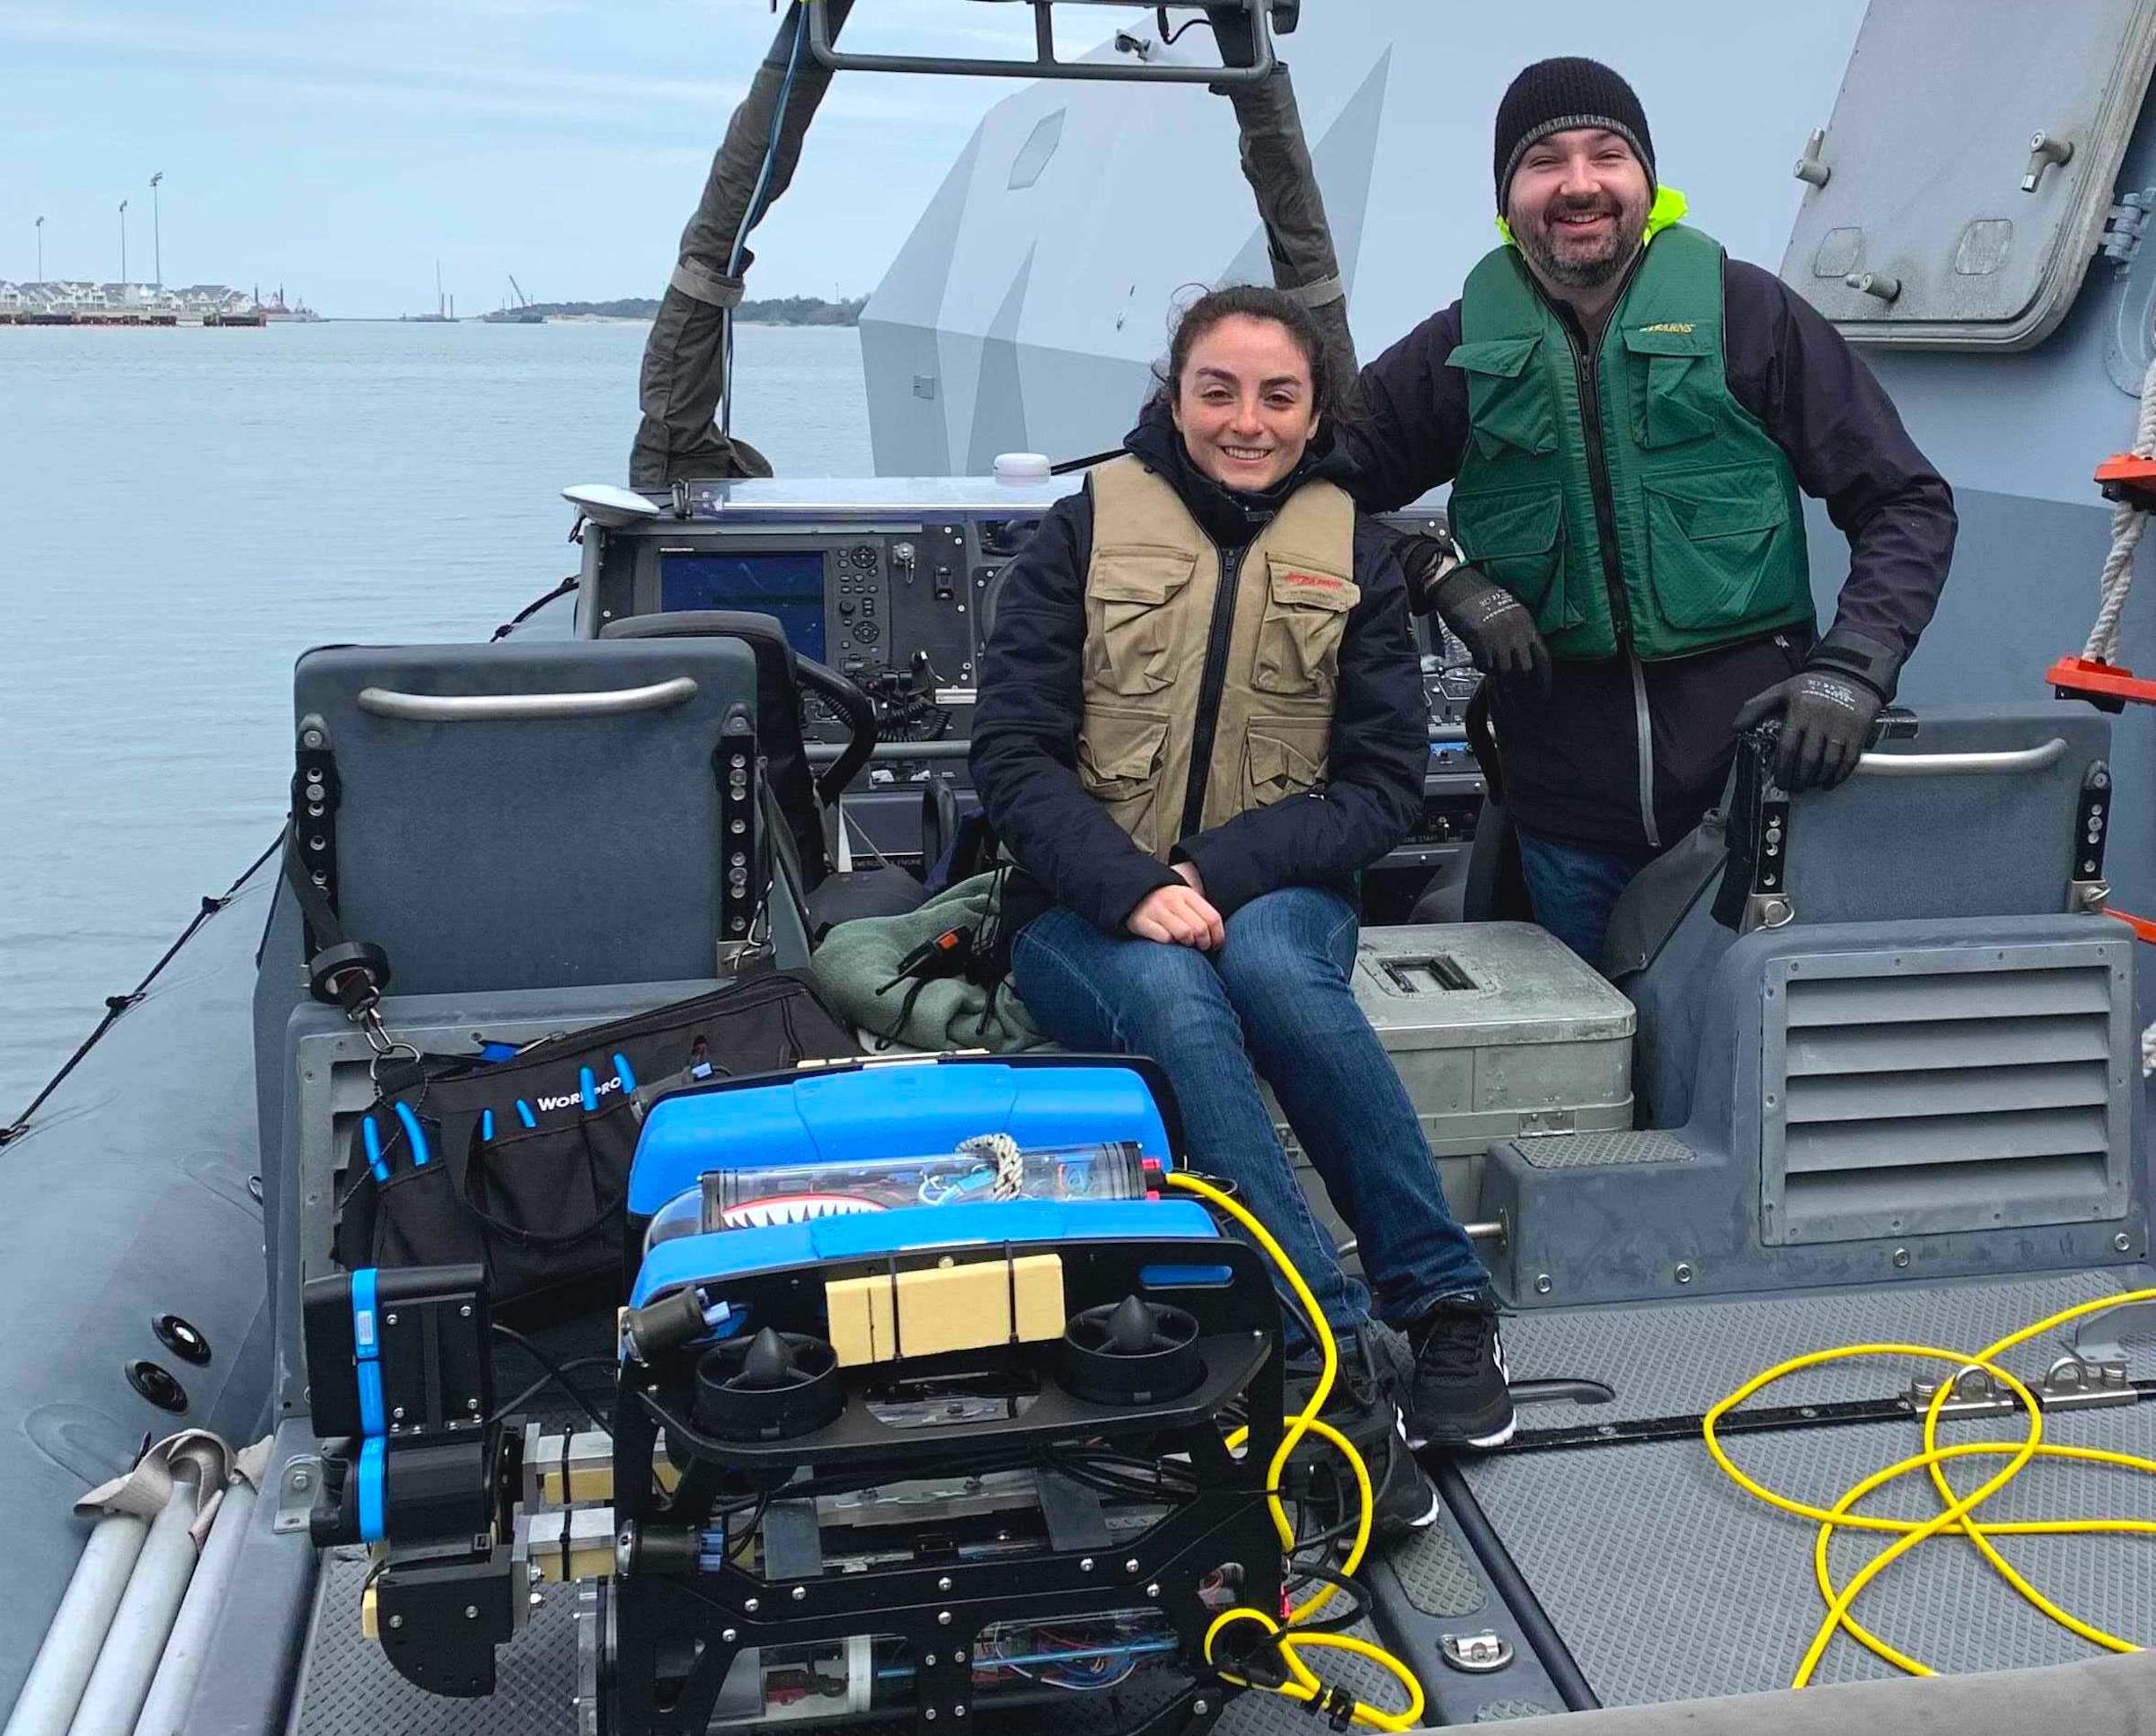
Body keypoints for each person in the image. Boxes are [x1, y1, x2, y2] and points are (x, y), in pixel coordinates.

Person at [968, 286, 1517, 1535]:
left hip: (1274, 891)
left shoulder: (1359, 552)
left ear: (1317, 408)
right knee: (1169, 991)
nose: (1246, 421)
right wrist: (1132, 887)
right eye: (1218, 390)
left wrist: (1211, 874)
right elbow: (1010, 758)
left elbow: (1382, 787)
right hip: (1082, 907)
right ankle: (1328, 1354)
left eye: (1279, 396)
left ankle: (1441, 1305)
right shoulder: (1080, 531)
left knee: (1270, 972)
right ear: (1173, 395)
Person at [1345, 57, 1957, 965]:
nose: (1580, 184)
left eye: (1608, 154)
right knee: (1592, 1064)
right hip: (1563, 822)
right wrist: (1439, 574)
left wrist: (1855, 668)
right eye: (1544, 161)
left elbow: (1906, 501)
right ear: (1507, 195)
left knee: (1744, 1064)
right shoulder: (1458, 350)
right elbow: (1306, 494)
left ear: (1647, 180)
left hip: (1748, 806)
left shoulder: (1748, 315)